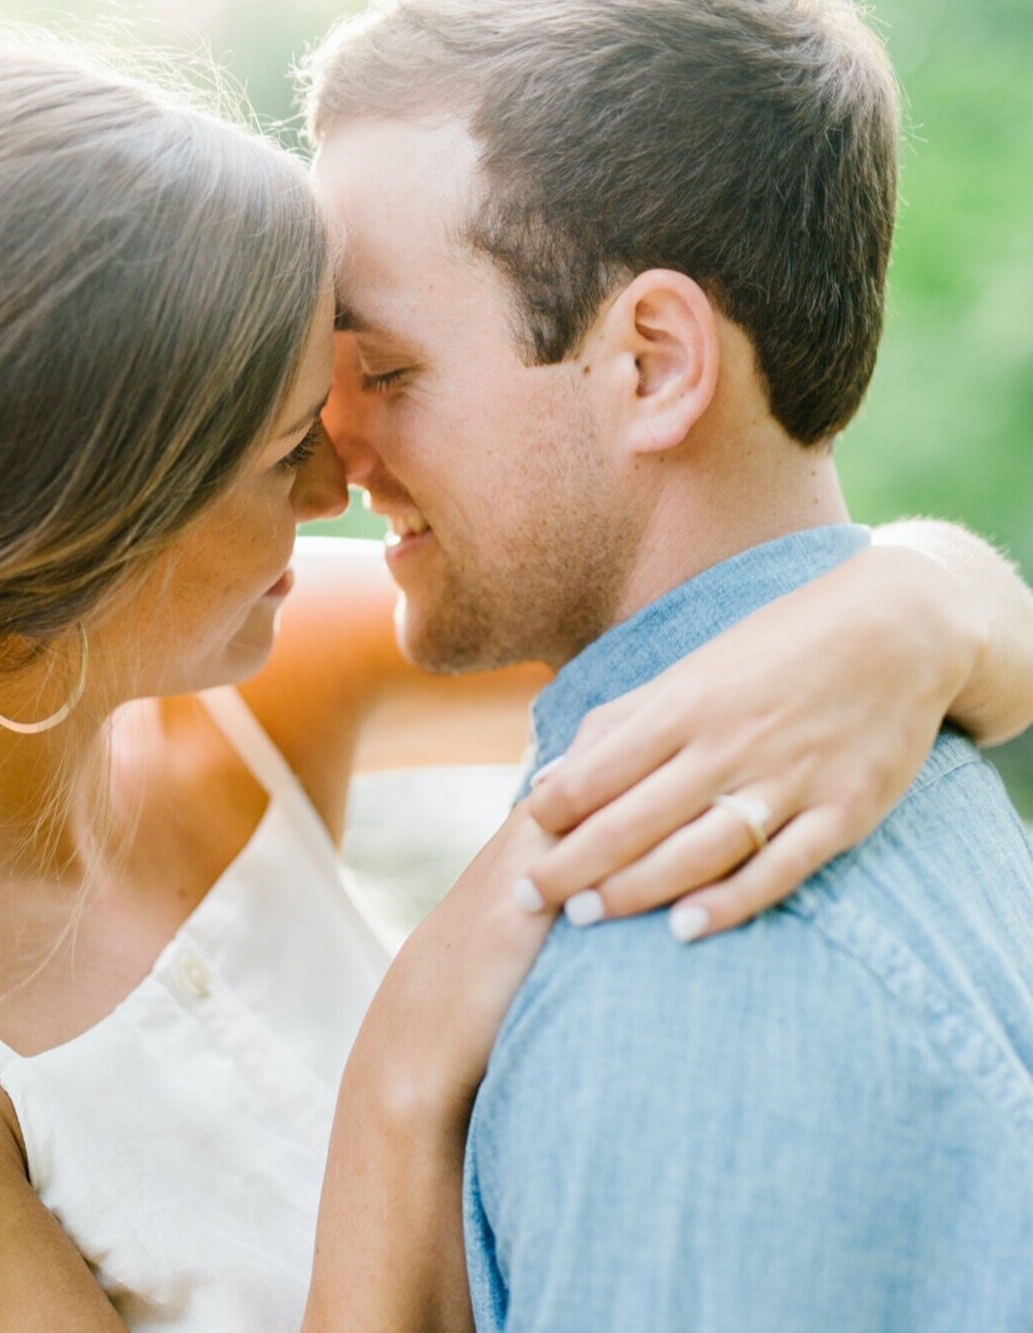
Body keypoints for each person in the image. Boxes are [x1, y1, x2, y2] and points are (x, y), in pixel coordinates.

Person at [0, 27, 1026, 1333]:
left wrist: (918, 604)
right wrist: (398, 1087)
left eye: (375, 379)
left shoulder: (217, 678)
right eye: (287, 450)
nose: (343, 484)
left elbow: (694, 626)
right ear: (82, 535)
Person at [304, 0, 1033, 1328]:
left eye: (390, 369)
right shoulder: (911, 757)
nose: (330, 449)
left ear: (651, 363)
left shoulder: (693, 971)